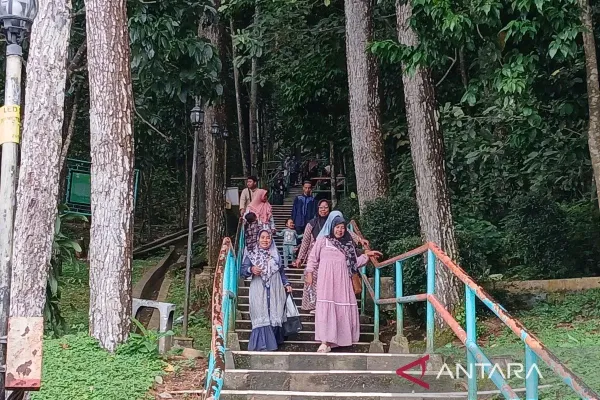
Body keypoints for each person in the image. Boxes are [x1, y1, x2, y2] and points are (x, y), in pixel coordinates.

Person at [305, 215, 381, 353]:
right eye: (337, 227)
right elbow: (312, 258)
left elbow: (355, 263)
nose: (340, 230)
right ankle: (325, 342)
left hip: (342, 281)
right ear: (332, 227)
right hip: (326, 281)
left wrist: (367, 256)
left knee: (340, 307)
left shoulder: (348, 245)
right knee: (326, 307)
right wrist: (309, 273)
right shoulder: (323, 241)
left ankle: (339, 339)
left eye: (342, 228)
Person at [294, 205, 369, 312]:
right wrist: (300, 258)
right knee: (320, 289)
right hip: (320, 266)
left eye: (325, 207)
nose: (323, 210)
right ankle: (316, 307)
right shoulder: (314, 226)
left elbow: (349, 237)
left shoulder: (344, 239)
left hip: (338, 273)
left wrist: (361, 242)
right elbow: (305, 242)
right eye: (321, 207)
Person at [241, 230, 293, 351]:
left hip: (276, 287)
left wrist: (286, 283)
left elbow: (281, 271)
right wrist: (251, 269)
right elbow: (243, 271)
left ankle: (274, 341)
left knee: (276, 311)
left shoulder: (276, 254)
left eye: (268, 237)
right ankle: (262, 344)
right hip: (259, 287)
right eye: (263, 237)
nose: (265, 240)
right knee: (260, 311)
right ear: (258, 239)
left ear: (271, 239)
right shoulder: (252, 253)